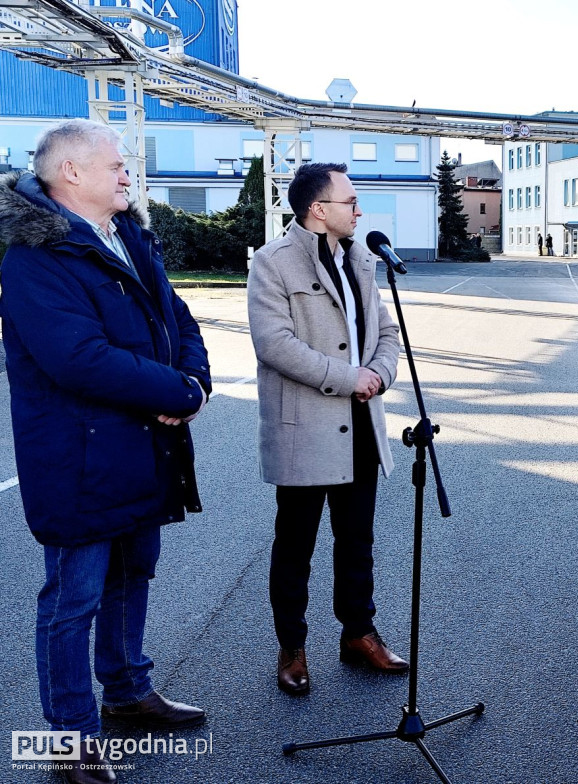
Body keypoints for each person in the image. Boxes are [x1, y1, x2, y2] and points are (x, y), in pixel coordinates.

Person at [0, 119, 210, 784]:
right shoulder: (34, 258)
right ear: (71, 174)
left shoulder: (129, 238)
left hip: (141, 445)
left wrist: (192, 384)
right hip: (78, 458)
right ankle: (71, 741)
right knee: (74, 599)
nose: (127, 174)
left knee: (132, 574)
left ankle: (126, 690)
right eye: (116, 165)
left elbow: (178, 317)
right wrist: (171, 389)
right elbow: (77, 358)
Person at [247, 162, 405, 696]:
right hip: (305, 428)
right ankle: (292, 647)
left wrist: (379, 374)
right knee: (296, 545)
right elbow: (275, 344)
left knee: (357, 540)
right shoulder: (273, 263)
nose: (359, 211)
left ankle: (358, 635)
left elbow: (385, 329)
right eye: (350, 202)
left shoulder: (361, 258)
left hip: (361, 422)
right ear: (319, 210)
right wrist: (348, 377)